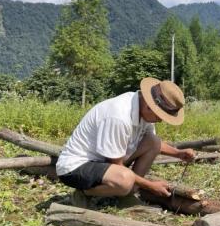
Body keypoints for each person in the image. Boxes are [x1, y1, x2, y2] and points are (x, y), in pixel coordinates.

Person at [56, 77, 196, 207]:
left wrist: (178, 153)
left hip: (104, 162)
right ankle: (84, 193)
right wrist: (151, 185)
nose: (160, 120)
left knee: (153, 141)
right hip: (76, 167)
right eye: (159, 116)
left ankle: (127, 195)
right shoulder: (119, 116)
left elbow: (152, 143)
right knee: (125, 179)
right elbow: (115, 164)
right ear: (149, 106)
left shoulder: (143, 111)